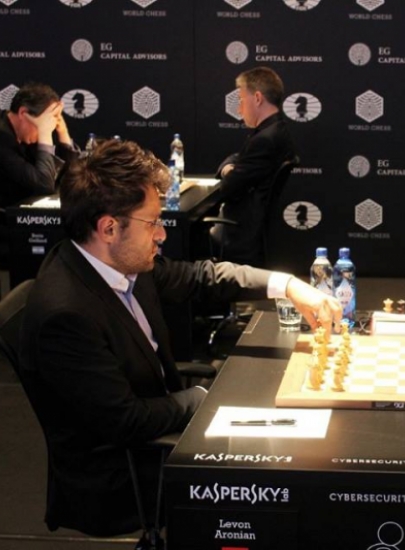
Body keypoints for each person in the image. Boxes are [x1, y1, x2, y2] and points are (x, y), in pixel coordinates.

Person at [18, 139, 340, 537]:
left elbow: (200, 277)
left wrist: (287, 284)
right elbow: (126, 421)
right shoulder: (65, 314)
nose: (162, 235)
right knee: (289, 466)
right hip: (124, 475)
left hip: (159, 424)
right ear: (108, 228)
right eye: (153, 222)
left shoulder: (115, 260)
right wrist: (207, 399)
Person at [211, 66, 296, 265]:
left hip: (240, 233)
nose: (239, 109)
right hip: (252, 229)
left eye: (241, 100)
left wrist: (228, 170)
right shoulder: (275, 131)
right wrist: (229, 167)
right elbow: (237, 158)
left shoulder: (265, 139)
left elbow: (228, 187)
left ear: (257, 98)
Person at [0, 82, 79, 207]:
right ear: (23, 113)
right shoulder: (3, 138)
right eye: (45, 122)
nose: (49, 128)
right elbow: (44, 185)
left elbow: (72, 179)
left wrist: (63, 133)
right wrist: (44, 132)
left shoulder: (28, 134)